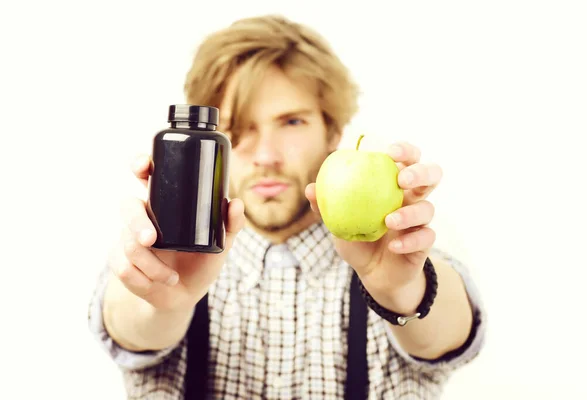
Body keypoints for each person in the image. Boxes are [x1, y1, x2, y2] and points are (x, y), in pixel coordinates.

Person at [88, 14, 486, 400]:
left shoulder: (396, 253)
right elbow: (129, 328)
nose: (266, 155)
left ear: (332, 132)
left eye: (291, 122)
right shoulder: (165, 253)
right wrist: (161, 299)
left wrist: (403, 292)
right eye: (238, 127)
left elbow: (449, 334)